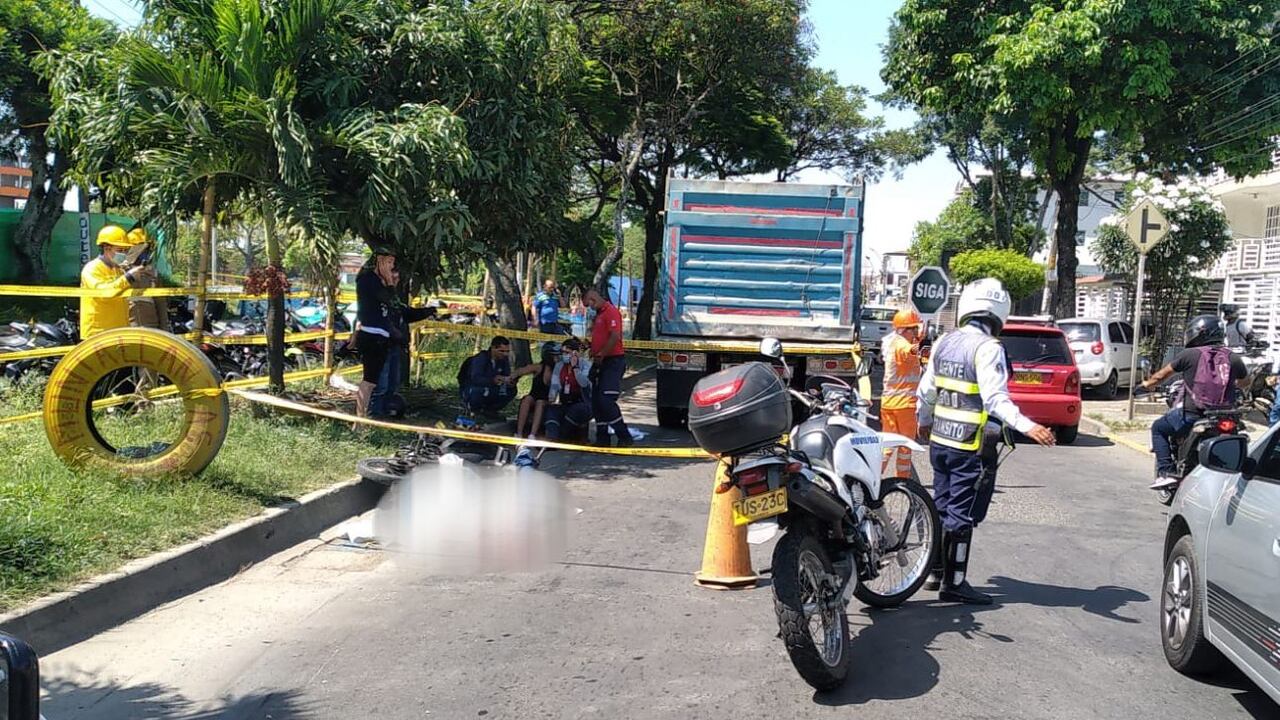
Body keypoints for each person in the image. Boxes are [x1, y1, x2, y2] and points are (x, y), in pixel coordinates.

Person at [917, 278, 1056, 605]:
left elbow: (927, 391)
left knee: (940, 506)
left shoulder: (944, 342)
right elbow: (995, 400)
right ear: (999, 313)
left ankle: (934, 573)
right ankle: (955, 583)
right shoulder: (988, 348)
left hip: (940, 441)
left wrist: (923, 421)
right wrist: (1028, 426)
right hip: (970, 447)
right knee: (961, 515)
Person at [1141, 315, 1248, 489]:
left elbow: (1161, 376)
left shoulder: (1189, 355)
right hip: (1225, 416)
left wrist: (1147, 384)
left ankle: (1166, 472)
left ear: (1199, 333)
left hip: (1193, 415)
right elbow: (1245, 382)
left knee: (1158, 428)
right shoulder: (1233, 358)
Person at [369, 267, 435, 418]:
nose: (396, 281)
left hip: (393, 347)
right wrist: (397, 334)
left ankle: (385, 412)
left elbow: (405, 313)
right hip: (379, 347)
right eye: (393, 278)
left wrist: (426, 312)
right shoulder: (376, 296)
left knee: (392, 383)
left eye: (397, 278)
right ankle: (374, 415)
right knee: (380, 385)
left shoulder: (393, 298)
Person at [80, 225, 155, 338]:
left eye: (125, 250)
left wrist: (141, 276)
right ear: (106, 248)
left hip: (117, 332)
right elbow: (104, 293)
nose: (123, 254)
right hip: (98, 333)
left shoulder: (118, 270)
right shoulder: (92, 268)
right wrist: (129, 277)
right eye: (120, 250)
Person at [584, 287, 633, 447]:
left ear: (593, 299)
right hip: (600, 362)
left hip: (613, 361)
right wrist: (592, 348)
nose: (590, 308)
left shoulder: (611, 312)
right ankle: (602, 437)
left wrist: (602, 354)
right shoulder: (599, 315)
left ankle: (624, 435)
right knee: (596, 401)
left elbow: (614, 336)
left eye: (589, 304)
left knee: (606, 400)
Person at [354, 248, 398, 417]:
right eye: (389, 262)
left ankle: (362, 417)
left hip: (380, 335)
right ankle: (360, 419)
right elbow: (389, 299)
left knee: (372, 382)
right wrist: (390, 282)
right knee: (368, 382)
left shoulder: (376, 281)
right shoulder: (368, 280)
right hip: (371, 335)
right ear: (379, 260)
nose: (391, 267)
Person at [880, 307, 924, 478]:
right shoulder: (902, 345)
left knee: (887, 444)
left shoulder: (892, 343)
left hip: (889, 403)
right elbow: (909, 350)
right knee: (906, 446)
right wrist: (917, 347)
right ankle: (902, 480)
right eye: (914, 329)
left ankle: (873, 476)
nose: (916, 333)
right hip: (904, 405)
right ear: (906, 329)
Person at [543, 337, 594, 443]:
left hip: (582, 403)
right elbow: (555, 383)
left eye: (567, 352)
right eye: (563, 352)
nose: (564, 355)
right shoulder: (560, 365)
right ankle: (551, 438)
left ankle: (564, 436)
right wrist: (551, 397)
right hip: (565, 402)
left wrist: (575, 368)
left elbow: (584, 383)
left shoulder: (586, 365)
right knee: (551, 410)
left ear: (576, 353)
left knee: (577, 410)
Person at [460, 336, 518, 417]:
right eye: (501, 351)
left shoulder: (504, 360)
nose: (505, 354)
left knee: (511, 390)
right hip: (473, 387)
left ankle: (490, 410)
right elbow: (475, 378)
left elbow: (506, 374)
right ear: (493, 348)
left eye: (507, 351)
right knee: (479, 391)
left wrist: (510, 381)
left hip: (492, 387)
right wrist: (492, 380)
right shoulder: (481, 359)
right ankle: (473, 409)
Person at [514, 342, 562, 438]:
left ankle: (532, 434)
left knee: (540, 403)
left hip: (547, 400)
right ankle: (519, 433)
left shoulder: (559, 371)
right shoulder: (539, 367)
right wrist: (512, 377)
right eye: (555, 356)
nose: (557, 358)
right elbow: (521, 371)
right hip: (533, 397)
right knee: (526, 399)